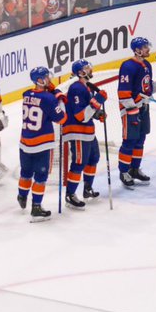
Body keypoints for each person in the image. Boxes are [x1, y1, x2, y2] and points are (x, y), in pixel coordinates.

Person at [116, 37, 156, 187]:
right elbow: (123, 93)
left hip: (143, 108)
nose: (148, 49)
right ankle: (124, 172)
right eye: (145, 47)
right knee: (130, 141)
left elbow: (148, 88)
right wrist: (132, 107)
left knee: (140, 139)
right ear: (137, 50)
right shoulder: (128, 66)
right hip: (130, 110)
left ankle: (134, 169)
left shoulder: (147, 65)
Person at [16, 66, 66, 221]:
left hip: (25, 142)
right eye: (46, 77)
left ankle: (22, 195)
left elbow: (39, 103)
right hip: (42, 144)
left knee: (25, 172)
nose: (49, 79)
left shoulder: (26, 94)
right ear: (39, 80)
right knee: (40, 176)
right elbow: (62, 118)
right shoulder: (49, 99)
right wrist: (58, 98)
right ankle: (36, 207)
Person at [62, 60, 106, 208]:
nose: (90, 69)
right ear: (80, 72)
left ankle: (87, 189)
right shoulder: (76, 88)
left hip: (87, 131)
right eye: (87, 68)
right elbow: (80, 116)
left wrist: (97, 113)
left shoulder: (86, 87)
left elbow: (88, 111)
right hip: (77, 132)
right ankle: (70, 194)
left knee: (94, 158)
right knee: (79, 162)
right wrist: (98, 101)